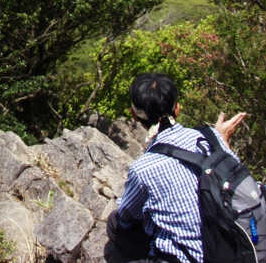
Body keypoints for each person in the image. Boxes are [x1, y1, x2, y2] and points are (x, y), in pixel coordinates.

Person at [105, 73, 247, 263]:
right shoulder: (212, 137)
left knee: (115, 224)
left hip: (189, 258)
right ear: (177, 108)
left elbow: (127, 217)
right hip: (233, 248)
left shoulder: (143, 168)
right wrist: (220, 141)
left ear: (134, 114)